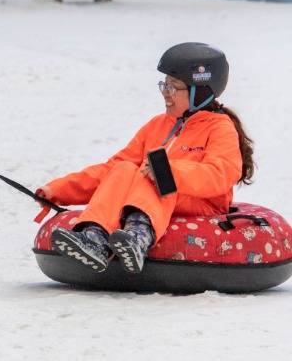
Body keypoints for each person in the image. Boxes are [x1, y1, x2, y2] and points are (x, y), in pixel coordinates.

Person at [37, 42, 254, 273]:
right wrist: (59, 190)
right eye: (164, 86)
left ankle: (139, 237)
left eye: (173, 88)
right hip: (154, 199)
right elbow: (112, 170)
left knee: (154, 174)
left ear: (199, 92)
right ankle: (95, 237)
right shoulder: (157, 126)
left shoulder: (220, 128)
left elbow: (220, 174)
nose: (165, 94)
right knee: (123, 170)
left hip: (200, 203)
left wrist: (170, 171)